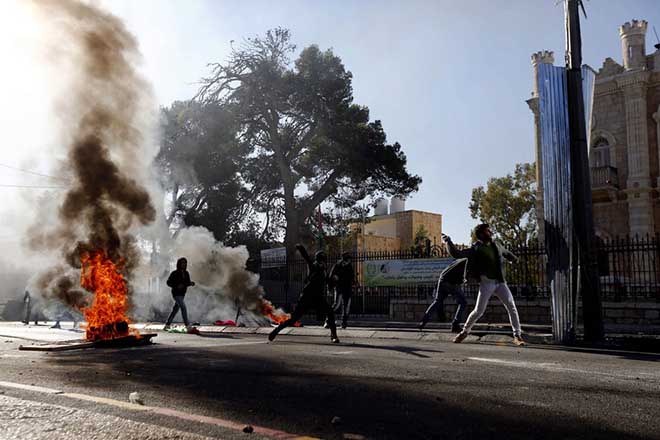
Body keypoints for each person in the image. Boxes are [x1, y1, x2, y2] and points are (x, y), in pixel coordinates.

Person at [444, 224, 525, 346]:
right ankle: (464, 332)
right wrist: (448, 242)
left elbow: (506, 252)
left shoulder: (496, 245)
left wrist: (514, 259)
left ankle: (517, 335)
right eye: (488, 231)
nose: (491, 232)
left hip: (500, 282)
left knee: (511, 306)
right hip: (487, 283)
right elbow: (457, 254)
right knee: (479, 311)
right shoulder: (476, 249)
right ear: (481, 234)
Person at [269, 244, 339, 343]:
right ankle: (276, 330)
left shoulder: (324, 271)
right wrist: (301, 249)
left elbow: (328, 282)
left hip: (318, 298)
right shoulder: (313, 266)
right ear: (319, 260)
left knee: (330, 312)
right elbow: (307, 259)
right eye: (322, 260)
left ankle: (334, 335)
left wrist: (334, 280)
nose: (323, 262)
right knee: (294, 319)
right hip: (307, 297)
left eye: (324, 260)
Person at [418, 258, 468, 333]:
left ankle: (423, 321)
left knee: (437, 301)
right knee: (463, 302)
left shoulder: (460, 259)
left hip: (442, 279)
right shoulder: (469, 261)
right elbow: (466, 277)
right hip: (451, 282)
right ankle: (455, 324)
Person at [164, 257, 196, 332]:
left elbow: (187, 283)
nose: (184, 264)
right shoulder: (174, 273)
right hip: (176, 294)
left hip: (182, 294)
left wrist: (191, 283)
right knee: (183, 307)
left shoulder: (186, 273)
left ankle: (167, 325)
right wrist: (176, 286)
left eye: (185, 263)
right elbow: (168, 282)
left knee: (175, 310)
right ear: (179, 264)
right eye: (182, 263)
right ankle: (187, 325)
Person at [326, 252, 356, 329]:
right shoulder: (337, 265)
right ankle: (328, 320)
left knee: (346, 307)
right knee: (336, 305)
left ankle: (344, 322)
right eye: (348, 259)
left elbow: (352, 276)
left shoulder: (349, 266)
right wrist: (330, 288)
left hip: (347, 288)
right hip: (339, 288)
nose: (349, 261)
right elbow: (331, 276)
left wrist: (353, 282)